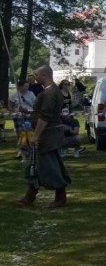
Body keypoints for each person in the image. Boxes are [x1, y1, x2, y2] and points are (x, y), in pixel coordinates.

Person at [15, 65, 71, 209]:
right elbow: (41, 113)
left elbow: (45, 116)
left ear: (45, 75)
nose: (35, 77)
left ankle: (60, 197)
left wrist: (36, 136)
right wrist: (28, 112)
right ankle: (30, 195)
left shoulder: (50, 93)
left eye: (37, 75)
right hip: (47, 134)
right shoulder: (50, 91)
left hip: (48, 135)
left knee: (49, 166)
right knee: (35, 164)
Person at [10, 80, 35, 159]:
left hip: (29, 115)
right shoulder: (14, 95)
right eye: (25, 86)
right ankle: (21, 151)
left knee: (30, 133)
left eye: (28, 86)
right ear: (20, 86)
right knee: (20, 134)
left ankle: (31, 150)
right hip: (19, 116)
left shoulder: (31, 94)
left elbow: (35, 104)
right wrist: (13, 113)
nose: (27, 88)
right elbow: (10, 105)